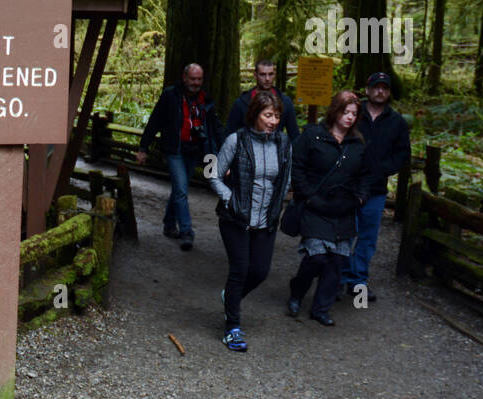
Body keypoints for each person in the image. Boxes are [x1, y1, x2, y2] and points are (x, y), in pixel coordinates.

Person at [208, 89, 293, 351]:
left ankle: (230, 298)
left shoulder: (283, 143)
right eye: (268, 115)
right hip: (236, 218)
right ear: (255, 114)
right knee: (240, 269)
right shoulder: (237, 140)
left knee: (260, 272)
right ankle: (232, 328)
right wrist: (229, 199)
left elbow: (286, 178)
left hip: (266, 220)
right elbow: (213, 174)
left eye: (277, 116)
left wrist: (280, 202)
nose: (274, 121)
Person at [286, 90, 368, 326]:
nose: (349, 117)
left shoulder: (358, 143)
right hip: (316, 206)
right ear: (335, 111)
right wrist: (308, 196)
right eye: (345, 112)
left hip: (344, 209)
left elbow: (365, 174)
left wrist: (360, 197)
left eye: (354, 113)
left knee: (336, 261)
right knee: (317, 257)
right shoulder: (313, 136)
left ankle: (321, 308)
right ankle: (297, 292)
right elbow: (297, 167)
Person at [341, 71, 411, 303]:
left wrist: (381, 169)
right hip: (347, 187)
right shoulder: (352, 113)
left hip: (376, 190)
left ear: (389, 92)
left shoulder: (397, 122)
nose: (380, 91)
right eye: (376, 87)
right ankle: (337, 279)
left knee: (368, 237)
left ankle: (358, 282)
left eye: (385, 88)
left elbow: (403, 155)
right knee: (343, 233)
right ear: (368, 89)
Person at [136, 63, 219, 251]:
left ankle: (168, 223)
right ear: (184, 78)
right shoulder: (171, 95)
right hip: (175, 150)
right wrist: (143, 148)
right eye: (192, 79)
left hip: (194, 150)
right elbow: (155, 120)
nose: (196, 83)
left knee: (179, 189)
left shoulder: (205, 99)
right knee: (182, 190)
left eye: (199, 79)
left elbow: (214, 127)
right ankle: (187, 231)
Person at [223, 59, 299, 141]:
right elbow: (229, 134)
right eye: (262, 75)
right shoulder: (241, 102)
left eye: (270, 74)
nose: (267, 79)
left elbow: (294, 135)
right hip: (247, 150)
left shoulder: (285, 101)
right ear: (255, 75)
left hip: (276, 149)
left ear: (275, 75)